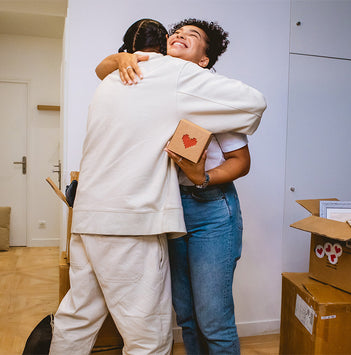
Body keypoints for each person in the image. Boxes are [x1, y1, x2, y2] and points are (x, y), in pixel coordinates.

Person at [50, 18, 266, 355]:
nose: (180, 35)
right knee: (172, 324)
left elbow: (242, 153)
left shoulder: (196, 89)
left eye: (192, 36)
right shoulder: (142, 73)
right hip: (153, 212)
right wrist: (120, 58)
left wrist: (203, 177)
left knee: (210, 318)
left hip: (198, 208)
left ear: (204, 61)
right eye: (176, 32)